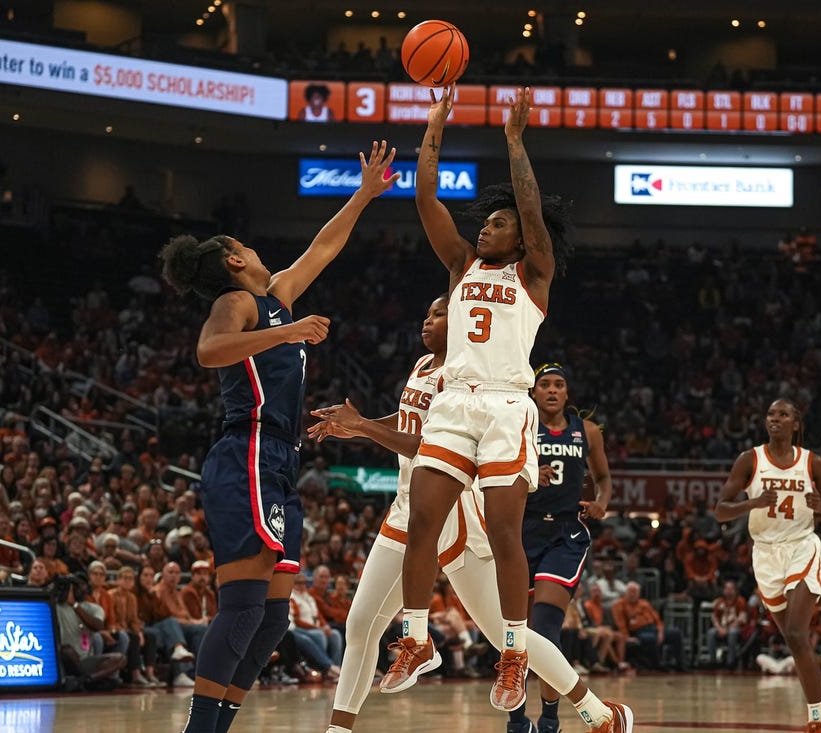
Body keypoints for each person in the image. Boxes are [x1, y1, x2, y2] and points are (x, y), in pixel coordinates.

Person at [159, 140, 399, 733]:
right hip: (246, 452)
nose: (255, 248)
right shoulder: (237, 301)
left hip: (281, 460)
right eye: (245, 245)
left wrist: (363, 195)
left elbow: (323, 247)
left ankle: (220, 723)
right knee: (242, 606)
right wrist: (286, 330)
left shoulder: (274, 298)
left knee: (272, 620)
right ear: (235, 261)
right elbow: (209, 351)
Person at [309, 296, 632, 733]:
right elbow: (408, 420)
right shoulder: (423, 363)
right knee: (361, 623)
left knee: (504, 634)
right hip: (408, 506)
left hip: (452, 512)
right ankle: (340, 729)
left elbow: (425, 442)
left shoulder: (465, 375)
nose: (429, 320)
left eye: (439, 313)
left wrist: (365, 428)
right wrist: (360, 421)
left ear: (461, 320)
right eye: (426, 313)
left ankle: (599, 712)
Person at [383, 84, 585, 720]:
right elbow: (425, 199)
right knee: (423, 520)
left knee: (502, 533)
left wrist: (515, 141)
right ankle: (415, 640)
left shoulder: (534, 275)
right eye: (486, 222)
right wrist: (433, 125)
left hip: (504, 407)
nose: (486, 226)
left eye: (498, 223)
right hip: (453, 404)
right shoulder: (461, 268)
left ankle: (513, 653)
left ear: (523, 239)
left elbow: (527, 208)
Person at [714, 399, 821, 733]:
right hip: (765, 553)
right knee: (794, 640)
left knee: (797, 633)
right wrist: (754, 502)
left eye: (783, 415)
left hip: (802, 546)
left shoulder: (812, 463)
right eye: (771, 414)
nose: (775, 419)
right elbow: (720, 510)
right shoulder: (750, 460)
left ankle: (816, 716)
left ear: (795, 424)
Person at [511, 361, 613, 733]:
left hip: (566, 534)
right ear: (533, 391)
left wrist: (602, 501)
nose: (552, 390)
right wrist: (526, 470)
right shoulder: (518, 425)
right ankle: (516, 720)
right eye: (545, 384)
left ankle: (550, 718)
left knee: (545, 626)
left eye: (558, 385)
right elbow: (493, 467)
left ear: (567, 393)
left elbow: (603, 477)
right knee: (515, 631)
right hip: (520, 530)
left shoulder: (587, 432)